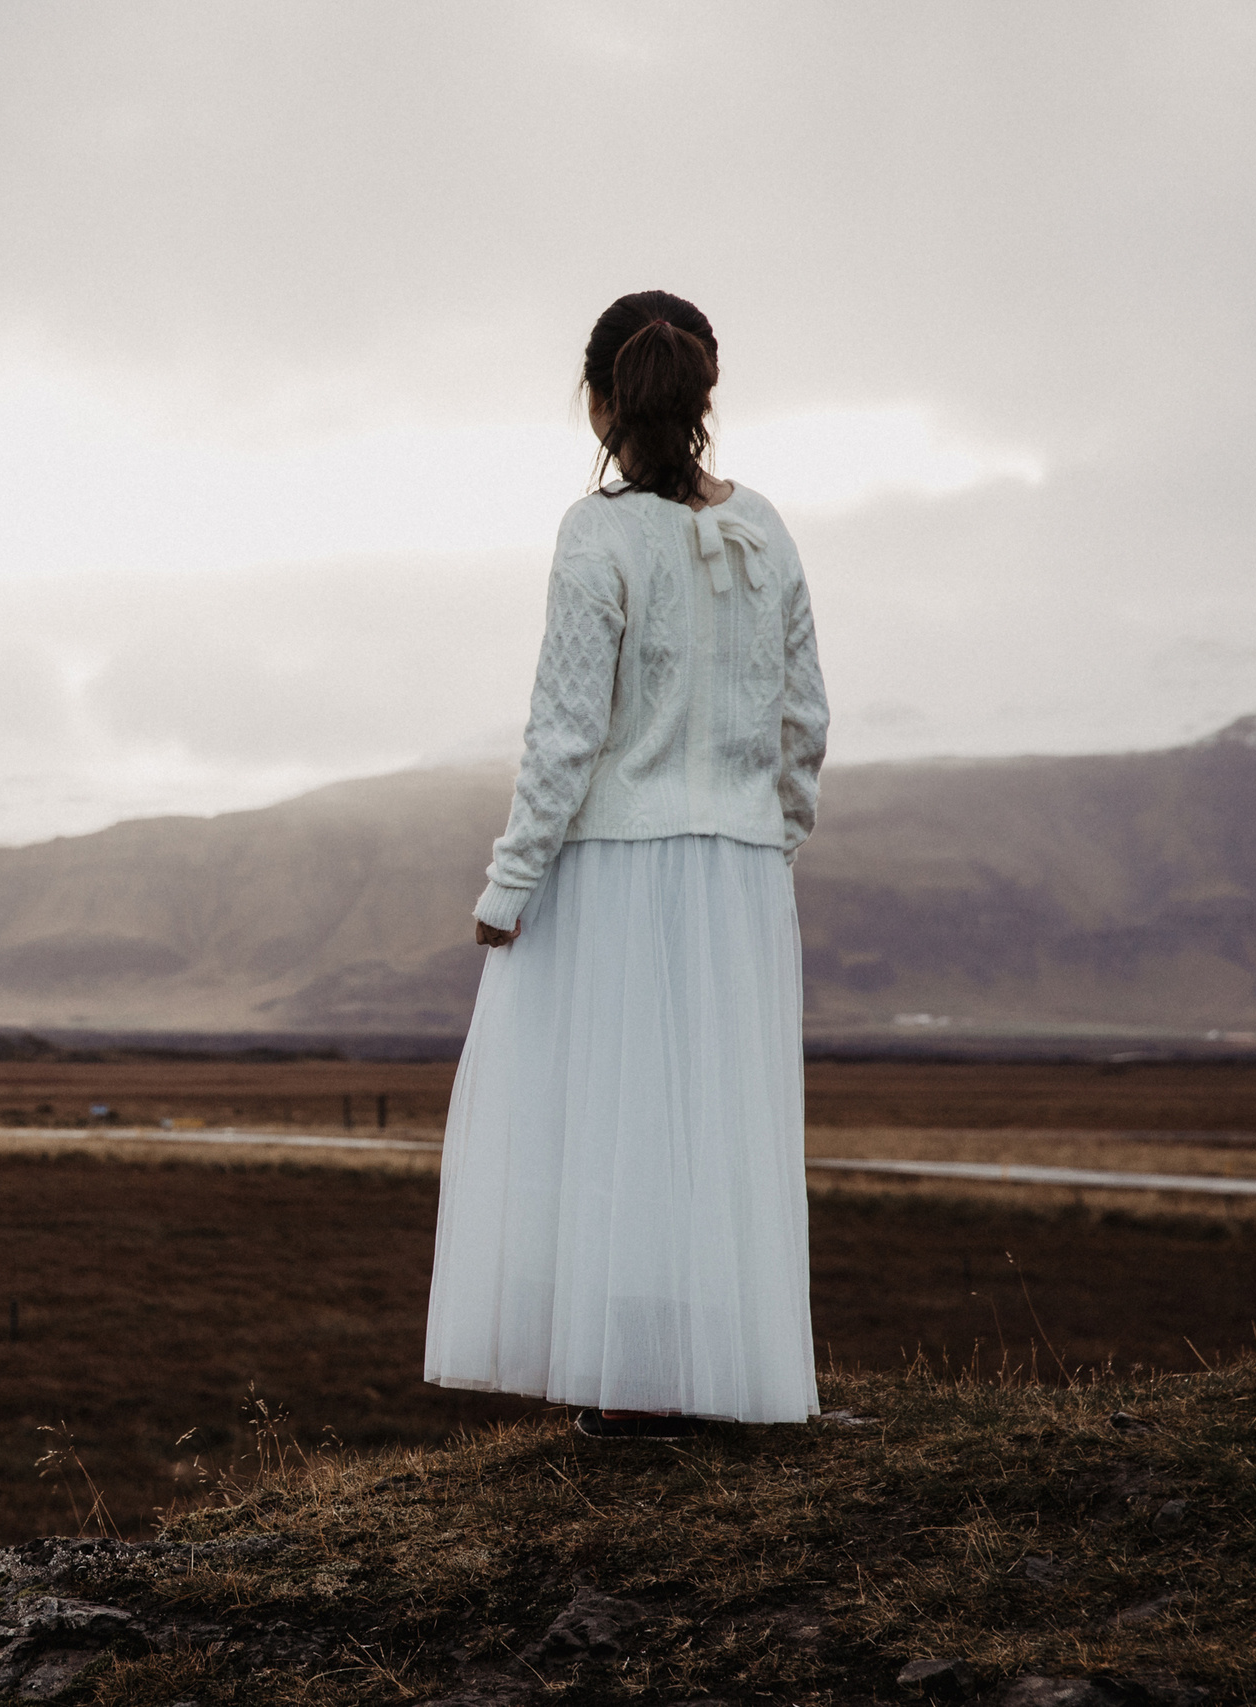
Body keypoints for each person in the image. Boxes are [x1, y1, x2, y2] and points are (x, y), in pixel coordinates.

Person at [422, 289, 829, 1440]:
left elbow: (564, 730)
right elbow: (803, 715)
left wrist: (509, 886)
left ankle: (628, 1384)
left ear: (600, 401)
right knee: (713, 1118)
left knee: (609, 1116)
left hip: (613, 868)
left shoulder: (592, 534)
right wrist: (769, 835)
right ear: (705, 395)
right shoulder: (768, 528)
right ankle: (715, 1377)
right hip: (738, 869)